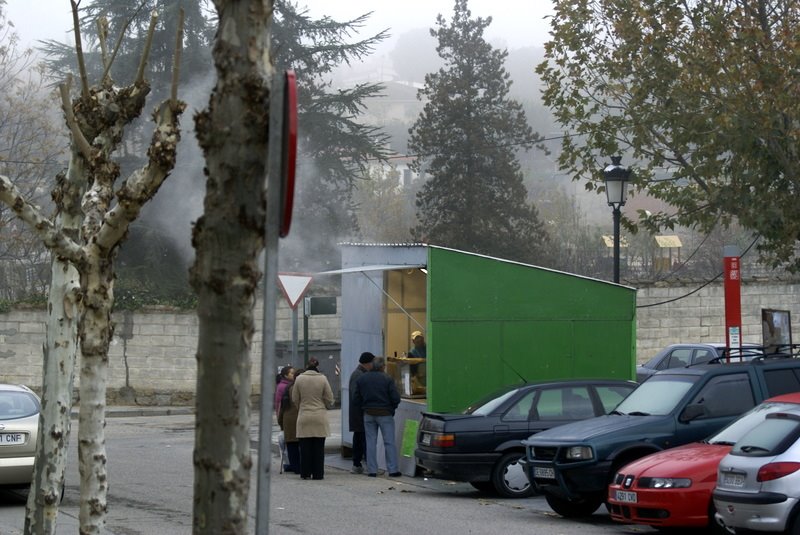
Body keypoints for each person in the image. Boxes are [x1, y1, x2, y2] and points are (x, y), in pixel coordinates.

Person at [353, 356, 401, 478]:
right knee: (389, 442)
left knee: (370, 442)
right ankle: (392, 470)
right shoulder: (387, 379)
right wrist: (391, 409)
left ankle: (372, 470)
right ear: (382, 366)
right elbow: (395, 398)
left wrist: (364, 408)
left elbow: (356, 399)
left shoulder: (362, 379)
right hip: (385, 414)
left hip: (368, 414)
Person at [291, 357, 334, 480]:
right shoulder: (323, 378)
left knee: (305, 447)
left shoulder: (299, 379)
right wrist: (324, 405)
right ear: (317, 367)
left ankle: (305, 473)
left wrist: (301, 407)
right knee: (319, 448)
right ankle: (318, 473)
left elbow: (295, 398)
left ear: (306, 367)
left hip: (304, 415)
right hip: (319, 416)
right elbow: (329, 398)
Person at [348, 352, 375, 474]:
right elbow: (356, 396)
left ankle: (357, 464)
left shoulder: (359, 373)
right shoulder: (358, 375)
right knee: (362, 438)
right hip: (359, 413)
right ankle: (364, 465)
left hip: (358, 412)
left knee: (359, 438)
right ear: (368, 363)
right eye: (372, 363)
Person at [277, 372, 301, 473]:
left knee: (291, 444)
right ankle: (300, 466)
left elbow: (282, 407)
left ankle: (294, 466)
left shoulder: (288, 388)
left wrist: (281, 423)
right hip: (299, 419)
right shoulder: (299, 388)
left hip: (288, 420)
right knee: (300, 444)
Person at [274, 365, 295, 473]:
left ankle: (289, 462)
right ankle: (288, 462)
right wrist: (279, 418)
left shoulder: (287, 385)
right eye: (291, 373)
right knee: (286, 439)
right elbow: (279, 404)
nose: (293, 374)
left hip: (286, 417)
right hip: (285, 418)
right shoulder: (283, 386)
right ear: (286, 375)